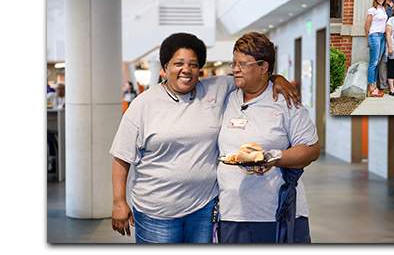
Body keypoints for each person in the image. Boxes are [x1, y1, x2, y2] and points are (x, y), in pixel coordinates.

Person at [109, 33, 299, 243]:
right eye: (178, 63)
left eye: (193, 64)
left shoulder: (215, 88)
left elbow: (249, 74)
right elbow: (121, 157)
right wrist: (119, 202)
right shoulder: (143, 105)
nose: (186, 70)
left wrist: (276, 79)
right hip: (157, 212)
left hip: (203, 209)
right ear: (165, 66)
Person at [217, 32, 319, 243]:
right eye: (234, 63)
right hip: (231, 214)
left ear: (263, 67)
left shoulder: (285, 100)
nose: (236, 69)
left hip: (276, 216)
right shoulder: (227, 97)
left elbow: (311, 149)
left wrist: (273, 157)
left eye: (243, 64)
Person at [364, 0, 388, 97]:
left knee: (377, 61)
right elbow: (366, 25)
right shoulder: (372, 10)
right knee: (373, 62)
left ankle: (375, 85)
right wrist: (367, 39)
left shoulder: (383, 9)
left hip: (382, 36)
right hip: (374, 36)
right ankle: (371, 87)